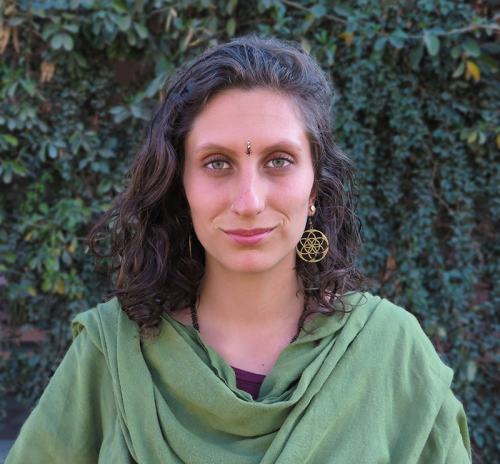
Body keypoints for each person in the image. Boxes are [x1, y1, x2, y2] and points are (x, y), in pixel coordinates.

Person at [6, 36, 471, 463]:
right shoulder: (111, 357)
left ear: (315, 188)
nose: (249, 202)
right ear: (179, 186)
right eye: (217, 163)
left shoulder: (391, 353)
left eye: (279, 161)